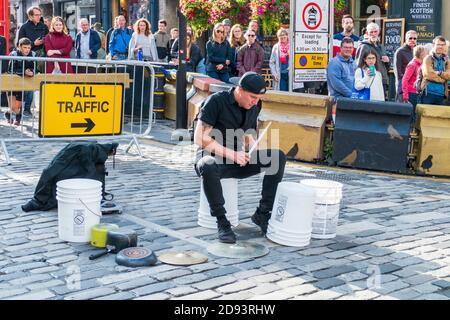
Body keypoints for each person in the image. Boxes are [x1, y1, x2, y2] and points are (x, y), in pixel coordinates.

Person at [194, 72, 286, 243]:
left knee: (277, 157)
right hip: (213, 161)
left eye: (259, 98)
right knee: (208, 164)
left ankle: (262, 213)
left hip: (237, 160)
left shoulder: (254, 106)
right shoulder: (216, 101)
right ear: (240, 90)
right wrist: (232, 154)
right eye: (253, 97)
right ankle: (222, 222)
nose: (255, 102)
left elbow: (249, 134)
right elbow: (199, 138)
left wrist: (253, 151)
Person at [17, 6, 48, 115]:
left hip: (42, 58)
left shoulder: (44, 26)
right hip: (28, 58)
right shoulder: (24, 27)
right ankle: (26, 108)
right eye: (36, 15)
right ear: (30, 16)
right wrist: (33, 43)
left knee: (43, 83)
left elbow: (48, 40)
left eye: (40, 14)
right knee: (29, 84)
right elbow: (18, 44)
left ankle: (43, 107)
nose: (39, 17)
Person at [5, 38, 35, 126]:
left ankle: (14, 116)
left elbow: (36, 68)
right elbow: (10, 70)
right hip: (12, 83)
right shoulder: (14, 54)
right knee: (13, 107)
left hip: (23, 84)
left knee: (18, 106)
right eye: (25, 47)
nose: (27, 50)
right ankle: (12, 114)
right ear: (19, 47)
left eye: (29, 48)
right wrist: (24, 72)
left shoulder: (33, 55)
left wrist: (32, 72)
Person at [356, 22, 390, 94]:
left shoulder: (381, 46)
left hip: (382, 79)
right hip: (369, 80)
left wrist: (387, 61)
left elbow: (386, 67)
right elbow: (358, 65)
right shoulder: (363, 46)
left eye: (375, 31)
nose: (373, 34)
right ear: (367, 33)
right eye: (371, 32)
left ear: (379, 32)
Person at [419, 36, 450, 106]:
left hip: (441, 95)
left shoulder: (447, 61)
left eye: (442, 45)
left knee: (439, 117)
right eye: (438, 44)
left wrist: (439, 73)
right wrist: (443, 78)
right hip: (428, 93)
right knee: (425, 116)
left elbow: (449, 76)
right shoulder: (427, 59)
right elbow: (428, 75)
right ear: (433, 45)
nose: (440, 47)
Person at [402, 45, 428, 120]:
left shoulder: (420, 64)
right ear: (421, 54)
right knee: (412, 116)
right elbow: (404, 80)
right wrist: (405, 95)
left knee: (416, 115)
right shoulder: (412, 64)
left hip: (417, 93)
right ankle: (410, 131)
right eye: (426, 53)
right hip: (411, 93)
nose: (427, 55)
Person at [394, 30, 417, 102]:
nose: (412, 40)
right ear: (406, 39)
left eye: (414, 38)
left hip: (414, 88)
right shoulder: (400, 51)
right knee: (401, 110)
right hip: (404, 87)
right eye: (410, 38)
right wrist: (401, 89)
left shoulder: (416, 52)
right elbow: (398, 73)